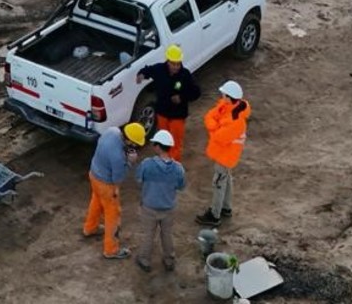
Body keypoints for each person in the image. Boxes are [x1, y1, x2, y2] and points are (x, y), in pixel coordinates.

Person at [82, 121, 145, 260]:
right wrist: (129, 162)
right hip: (106, 185)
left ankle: (90, 228)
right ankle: (111, 249)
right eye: (134, 143)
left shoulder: (112, 131)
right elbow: (118, 178)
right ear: (128, 139)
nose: (135, 146)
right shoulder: (118, 156)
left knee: (96, 202)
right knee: (113, 215)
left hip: (94, 174)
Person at [135, 44, 203, 162]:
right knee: (163, 139)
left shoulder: (185, 75)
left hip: (178, 115)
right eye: (173, 63)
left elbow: (196, 93)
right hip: (162, 113)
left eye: (178, 63)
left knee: (175, 143)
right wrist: (141, 75)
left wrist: (182, 97)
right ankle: (163, 160)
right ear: (167, 61)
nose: (176, 67)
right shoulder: (159, 70)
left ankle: (172, 165)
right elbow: (147, 70)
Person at [198, 80, 250, 226]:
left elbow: (218, 137)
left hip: (225, 156)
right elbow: (210, 116)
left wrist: (213, 125)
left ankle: (214, 215)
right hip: (225, 154)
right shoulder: (230, 107)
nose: (221, 96)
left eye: (223, 94)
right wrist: (215, 125)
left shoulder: (236, 120)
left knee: (219, 183)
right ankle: (226, 208)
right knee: (226, 180)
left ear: (229, 97)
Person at [134, 129, 186, 273]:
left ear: (157, 146)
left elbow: (138, 179)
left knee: (148, 235)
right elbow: (181, 186)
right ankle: (169, 260)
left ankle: (144, 259)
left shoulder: (146, 164)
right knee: (167, 234)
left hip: (149, 207)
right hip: (168, 209)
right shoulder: (178, 169)